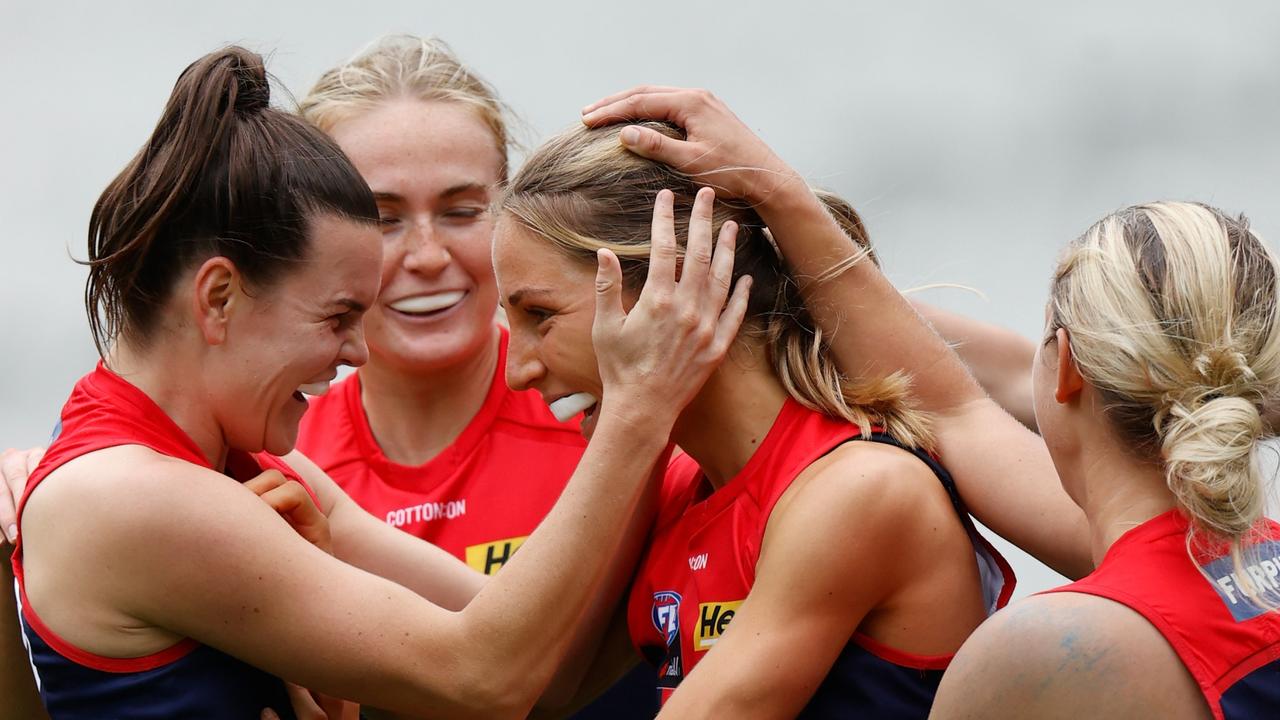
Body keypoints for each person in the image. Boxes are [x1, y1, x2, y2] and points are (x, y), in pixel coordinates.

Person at [9, 50, 749, 719]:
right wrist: (635, 414)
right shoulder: (135, 495)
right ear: (218, 299)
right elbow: (485, 679)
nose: (358, 353)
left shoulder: (247, 465)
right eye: (337, 317)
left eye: (461, 210)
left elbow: (542, 669)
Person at [582, 86, 1280, 718]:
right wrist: (778, 208)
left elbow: (958, 411)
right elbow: (953, 410)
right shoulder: (1250, 562)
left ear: (1065, 368)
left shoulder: (1044, 650)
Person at [491, 121, 1014, 718]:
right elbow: (529, 690)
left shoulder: (857, 490)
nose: (517, 372)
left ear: (676, 292)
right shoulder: (681, 485)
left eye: (540, 314)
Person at [294, 36, 658, 716]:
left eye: (462, 211)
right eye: (382, 219)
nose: (428, 256)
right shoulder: (282, 463)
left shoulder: (630, 420)